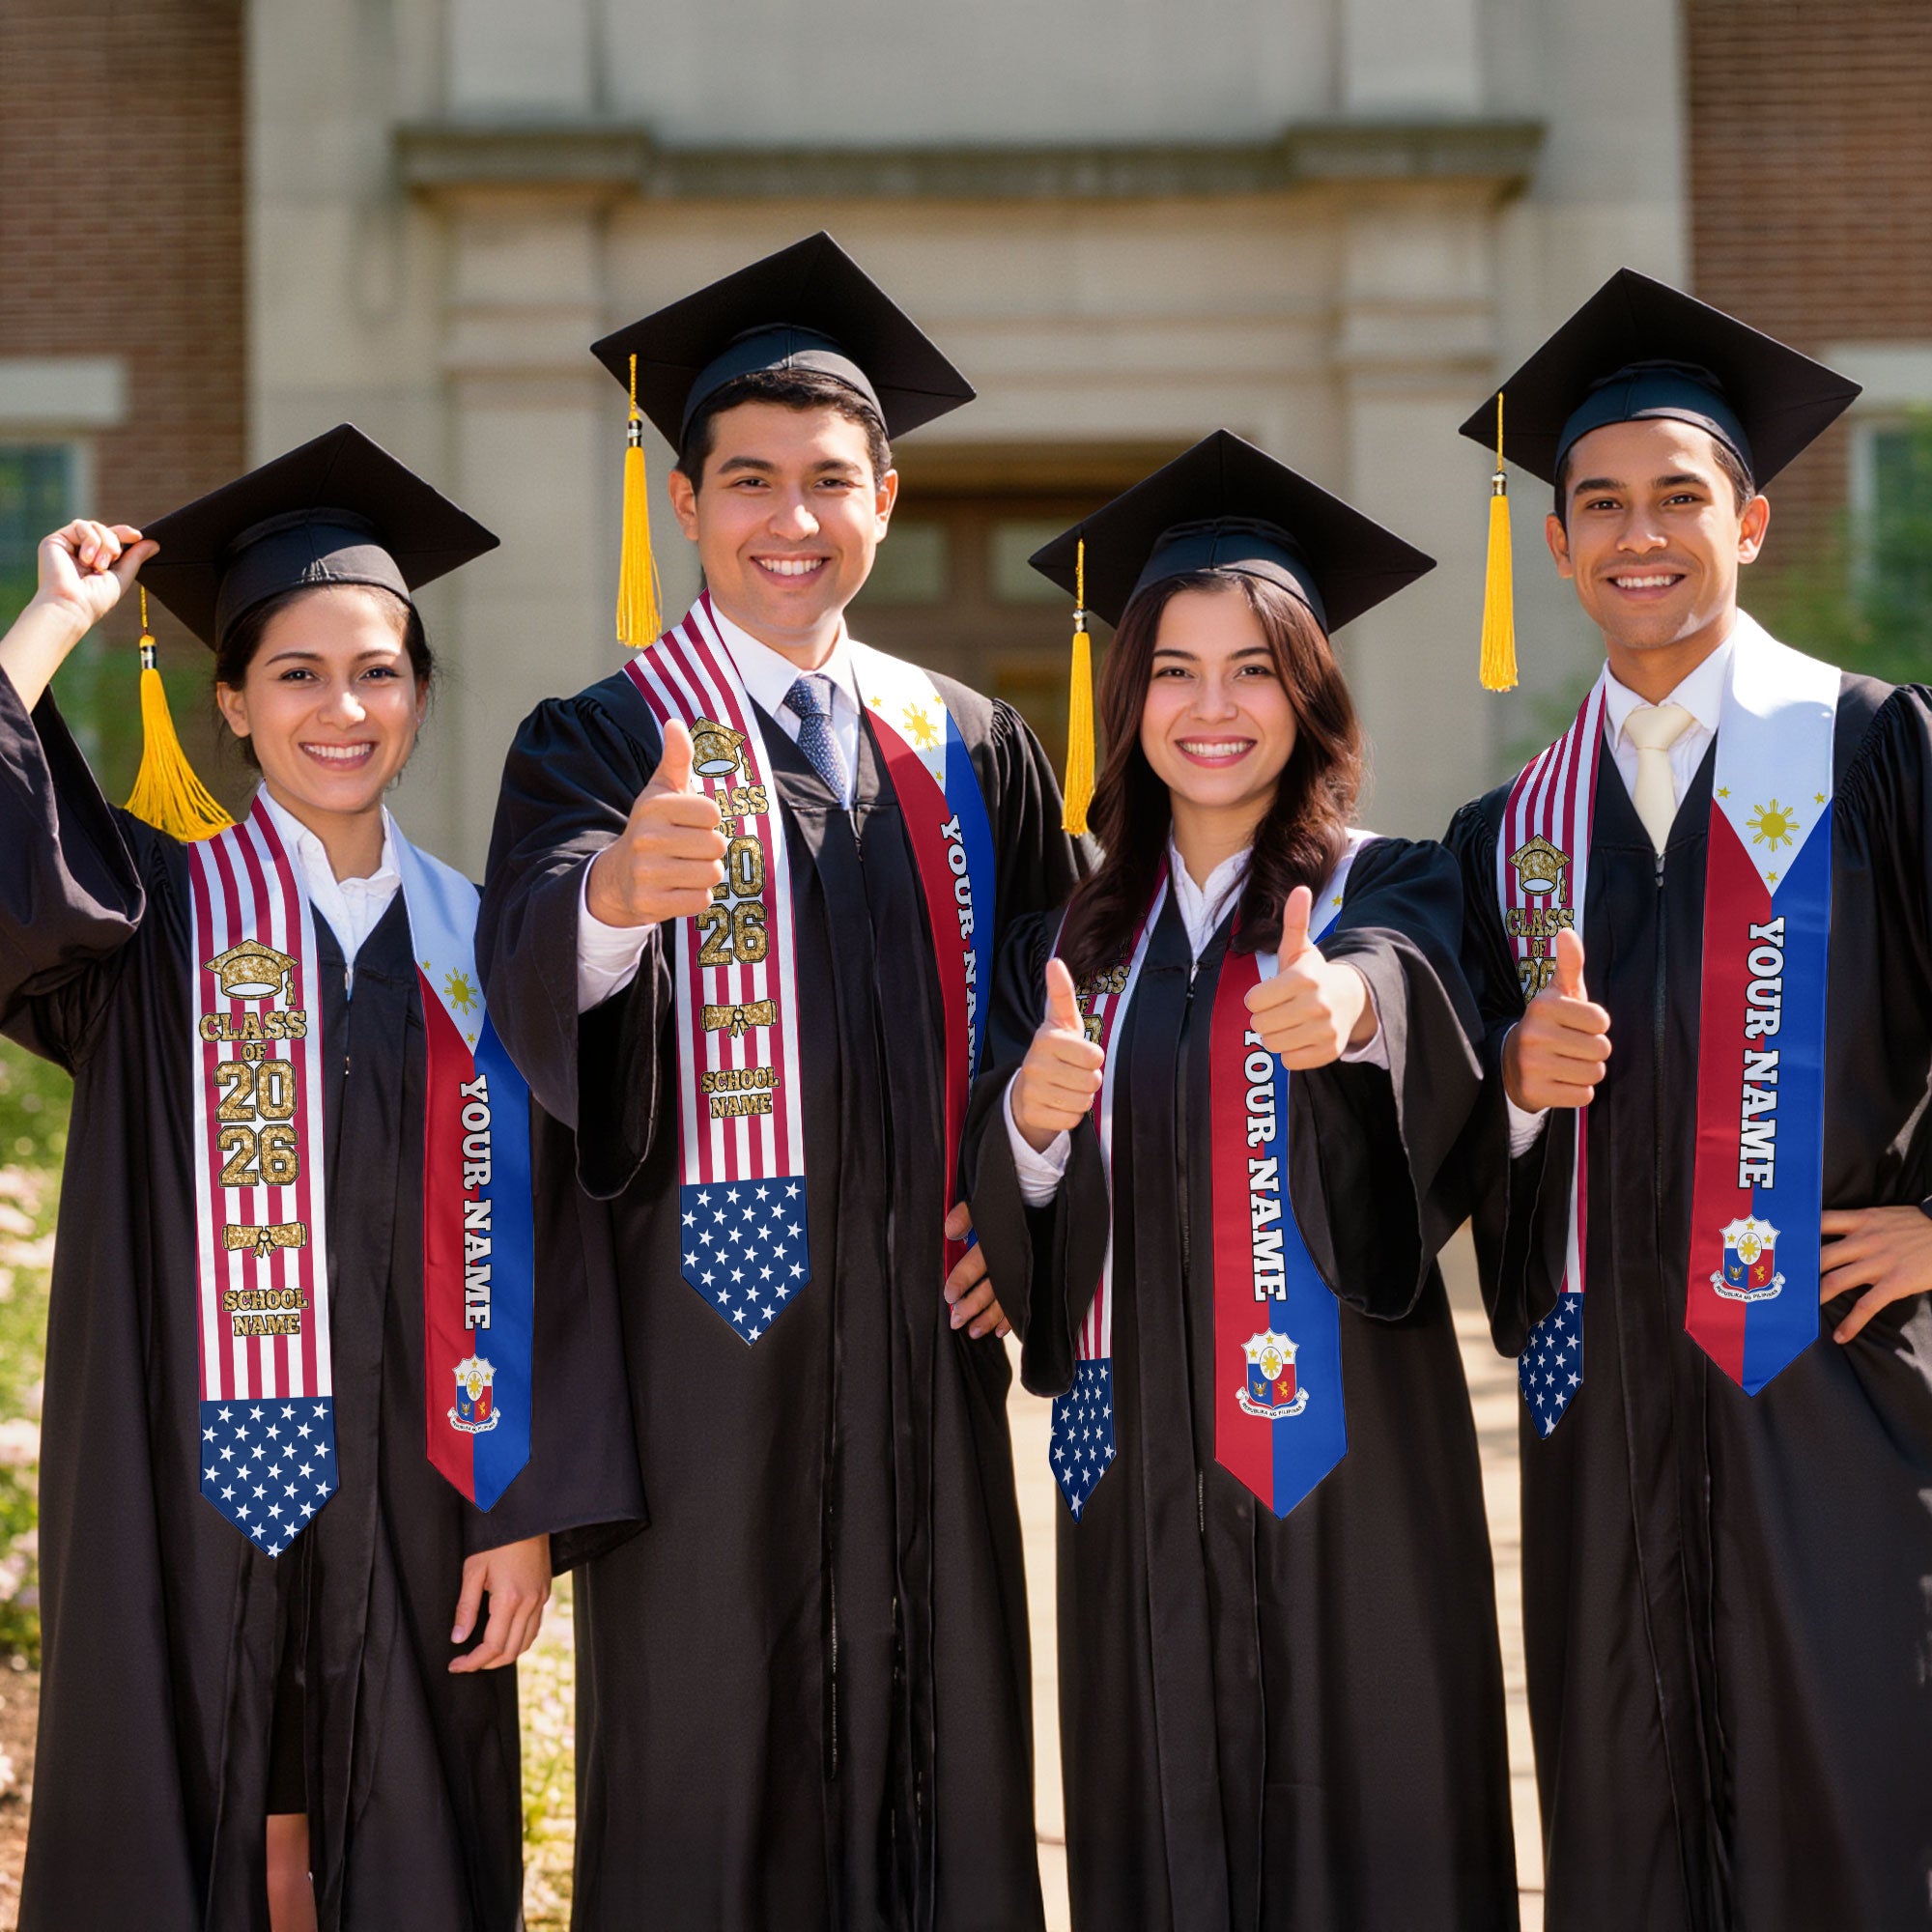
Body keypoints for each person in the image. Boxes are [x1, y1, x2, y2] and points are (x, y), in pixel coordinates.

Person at [478, 233, 1083, 1930]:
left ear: (886, 497)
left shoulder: (971, 744)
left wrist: (1026, 1202)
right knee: (709, 1767)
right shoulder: (599, 739)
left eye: (831, 481)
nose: (790, 519)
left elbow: (1076, 997)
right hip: (705, 1363)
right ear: (687, 504)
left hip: (923, 1345)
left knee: (943, 1751)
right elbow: (526, 970)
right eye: (749, 481)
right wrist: (611, 900)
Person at [0, 424, 640, 1932]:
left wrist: (525, 1506)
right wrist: (51, 625)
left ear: (419, 694)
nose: (340, 708)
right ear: (230, 701)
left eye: (378, 671)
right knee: (195, 1803)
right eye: (295, 673)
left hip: (430, 1491)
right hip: (184, 1479)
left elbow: (558, 1236)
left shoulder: (486, 945)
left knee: (407, 1829)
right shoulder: (148, 921)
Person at [964, 431, 1519, 1931]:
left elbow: (1411, 989)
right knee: (1161, 1825)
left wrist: (1347, 1014)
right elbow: (1011, 1192)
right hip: (1133, 1458)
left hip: (1351, 1464)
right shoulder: (1069, 943)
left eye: (1256, 669)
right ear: (1127, 696)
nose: (1214, 709)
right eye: (1175, 671)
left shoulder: (1389, 884)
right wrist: (1027, 1116)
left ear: (1311, 692)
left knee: (1377, 1820)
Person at [1445, 270, 1932, 1931]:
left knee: (1855, 1802)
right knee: (1625, 1817)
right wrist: (1510, 1087)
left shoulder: (1873, 752)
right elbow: (1443, 1131)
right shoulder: (1511, 832)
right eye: (1599, 504)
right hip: (1603, 1416)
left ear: (1753, 520)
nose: (1637, 534)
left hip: (1835, 1392)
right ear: (1561, 542)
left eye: (1678, 497)